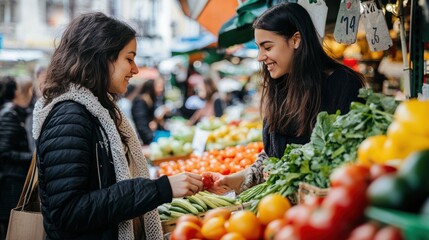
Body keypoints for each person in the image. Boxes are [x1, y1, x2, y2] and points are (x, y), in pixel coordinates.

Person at [32, 12, 203, 239]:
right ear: (102, 58)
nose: (136, 70)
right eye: (129, 58)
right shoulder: (70, 116)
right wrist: (160, 189)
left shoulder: (99, 110)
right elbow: (69, 212)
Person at [206, 3, 366, 194]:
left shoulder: (343, 83)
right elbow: (274, 157)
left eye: (267, 47)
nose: (260, 57)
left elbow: (344, 156)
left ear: (296, 40)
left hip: (323, 205)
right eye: (259, 48)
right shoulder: (280, 85)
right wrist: (232, 180)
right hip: (281, 208)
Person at [0, 75, 33, 239]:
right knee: (9, 226)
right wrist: (31, 157)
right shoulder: (9, 115)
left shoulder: (17, 114)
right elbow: (4, 151)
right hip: (10, 181)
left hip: (14, 179)